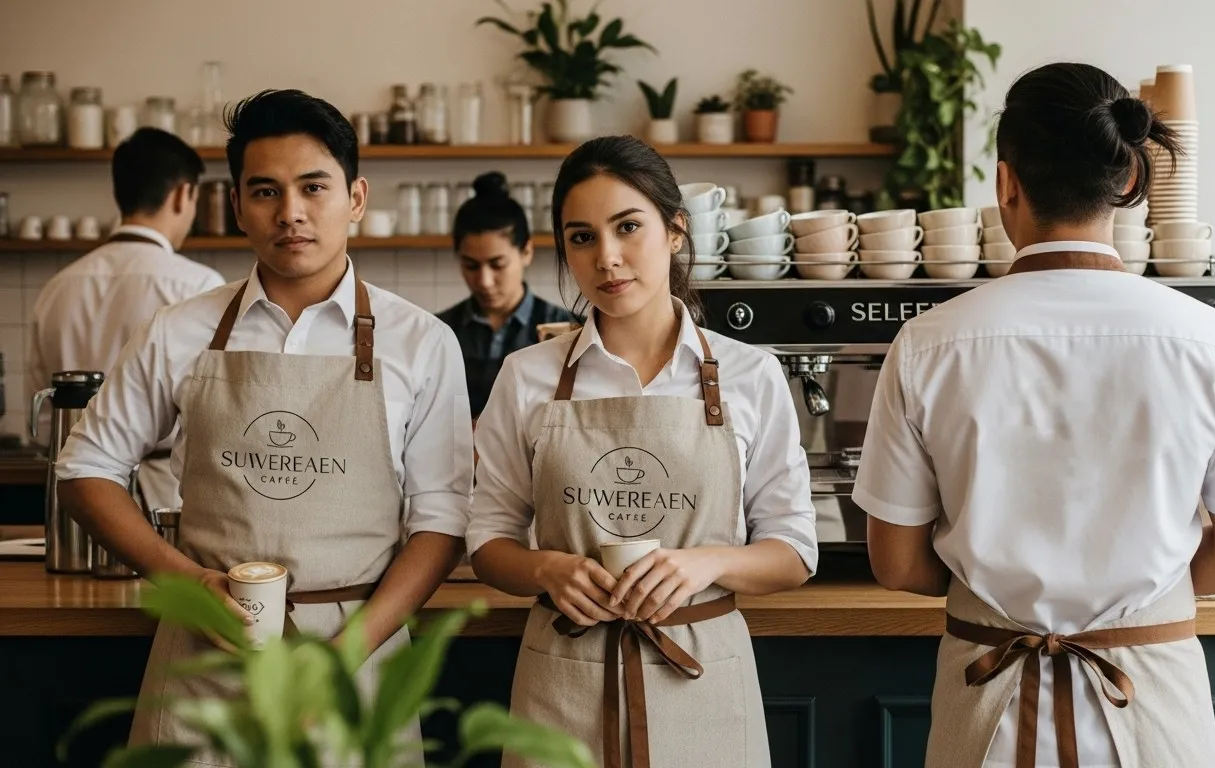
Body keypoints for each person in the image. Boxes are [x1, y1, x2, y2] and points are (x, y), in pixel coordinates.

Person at [854, 62, 1215, 768]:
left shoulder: (928, 344)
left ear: (1006, 183)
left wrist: (1002, 593)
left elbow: (897, 561)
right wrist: (1132, 599)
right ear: (1127, 177)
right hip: (1154, 709)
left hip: (985, 707)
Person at [55, 89, 473, 767]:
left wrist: (346, 654)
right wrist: (187, 582)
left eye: (314, 187)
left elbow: (443, 521)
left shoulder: (421, 342)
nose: (291, 212)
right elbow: (84, 471)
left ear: (356, 198)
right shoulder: (178, 330)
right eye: (265, 191)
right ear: (236, 204)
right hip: (207, 655)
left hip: (356, 658)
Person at [468, 135, 817, 768]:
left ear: (675, 231)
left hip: (704, 682)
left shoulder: (750, 374)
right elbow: (489, 540)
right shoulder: (527, 376)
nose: (606, 257)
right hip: (562, 683)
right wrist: (546, 570)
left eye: (628, 227)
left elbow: (793, 551)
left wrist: (704, 565)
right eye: (581, 237)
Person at [28, 127, 224, 513]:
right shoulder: (200, 286)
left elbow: (40, 416)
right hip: (165, 499)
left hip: (77, 498)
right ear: (183, 194)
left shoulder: (57, 287)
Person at [435, 171, 579, 419]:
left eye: (497, 264)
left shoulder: (569, 329)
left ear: (526, 252)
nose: (484, 281)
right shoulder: (439, 332)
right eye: (471, 266)